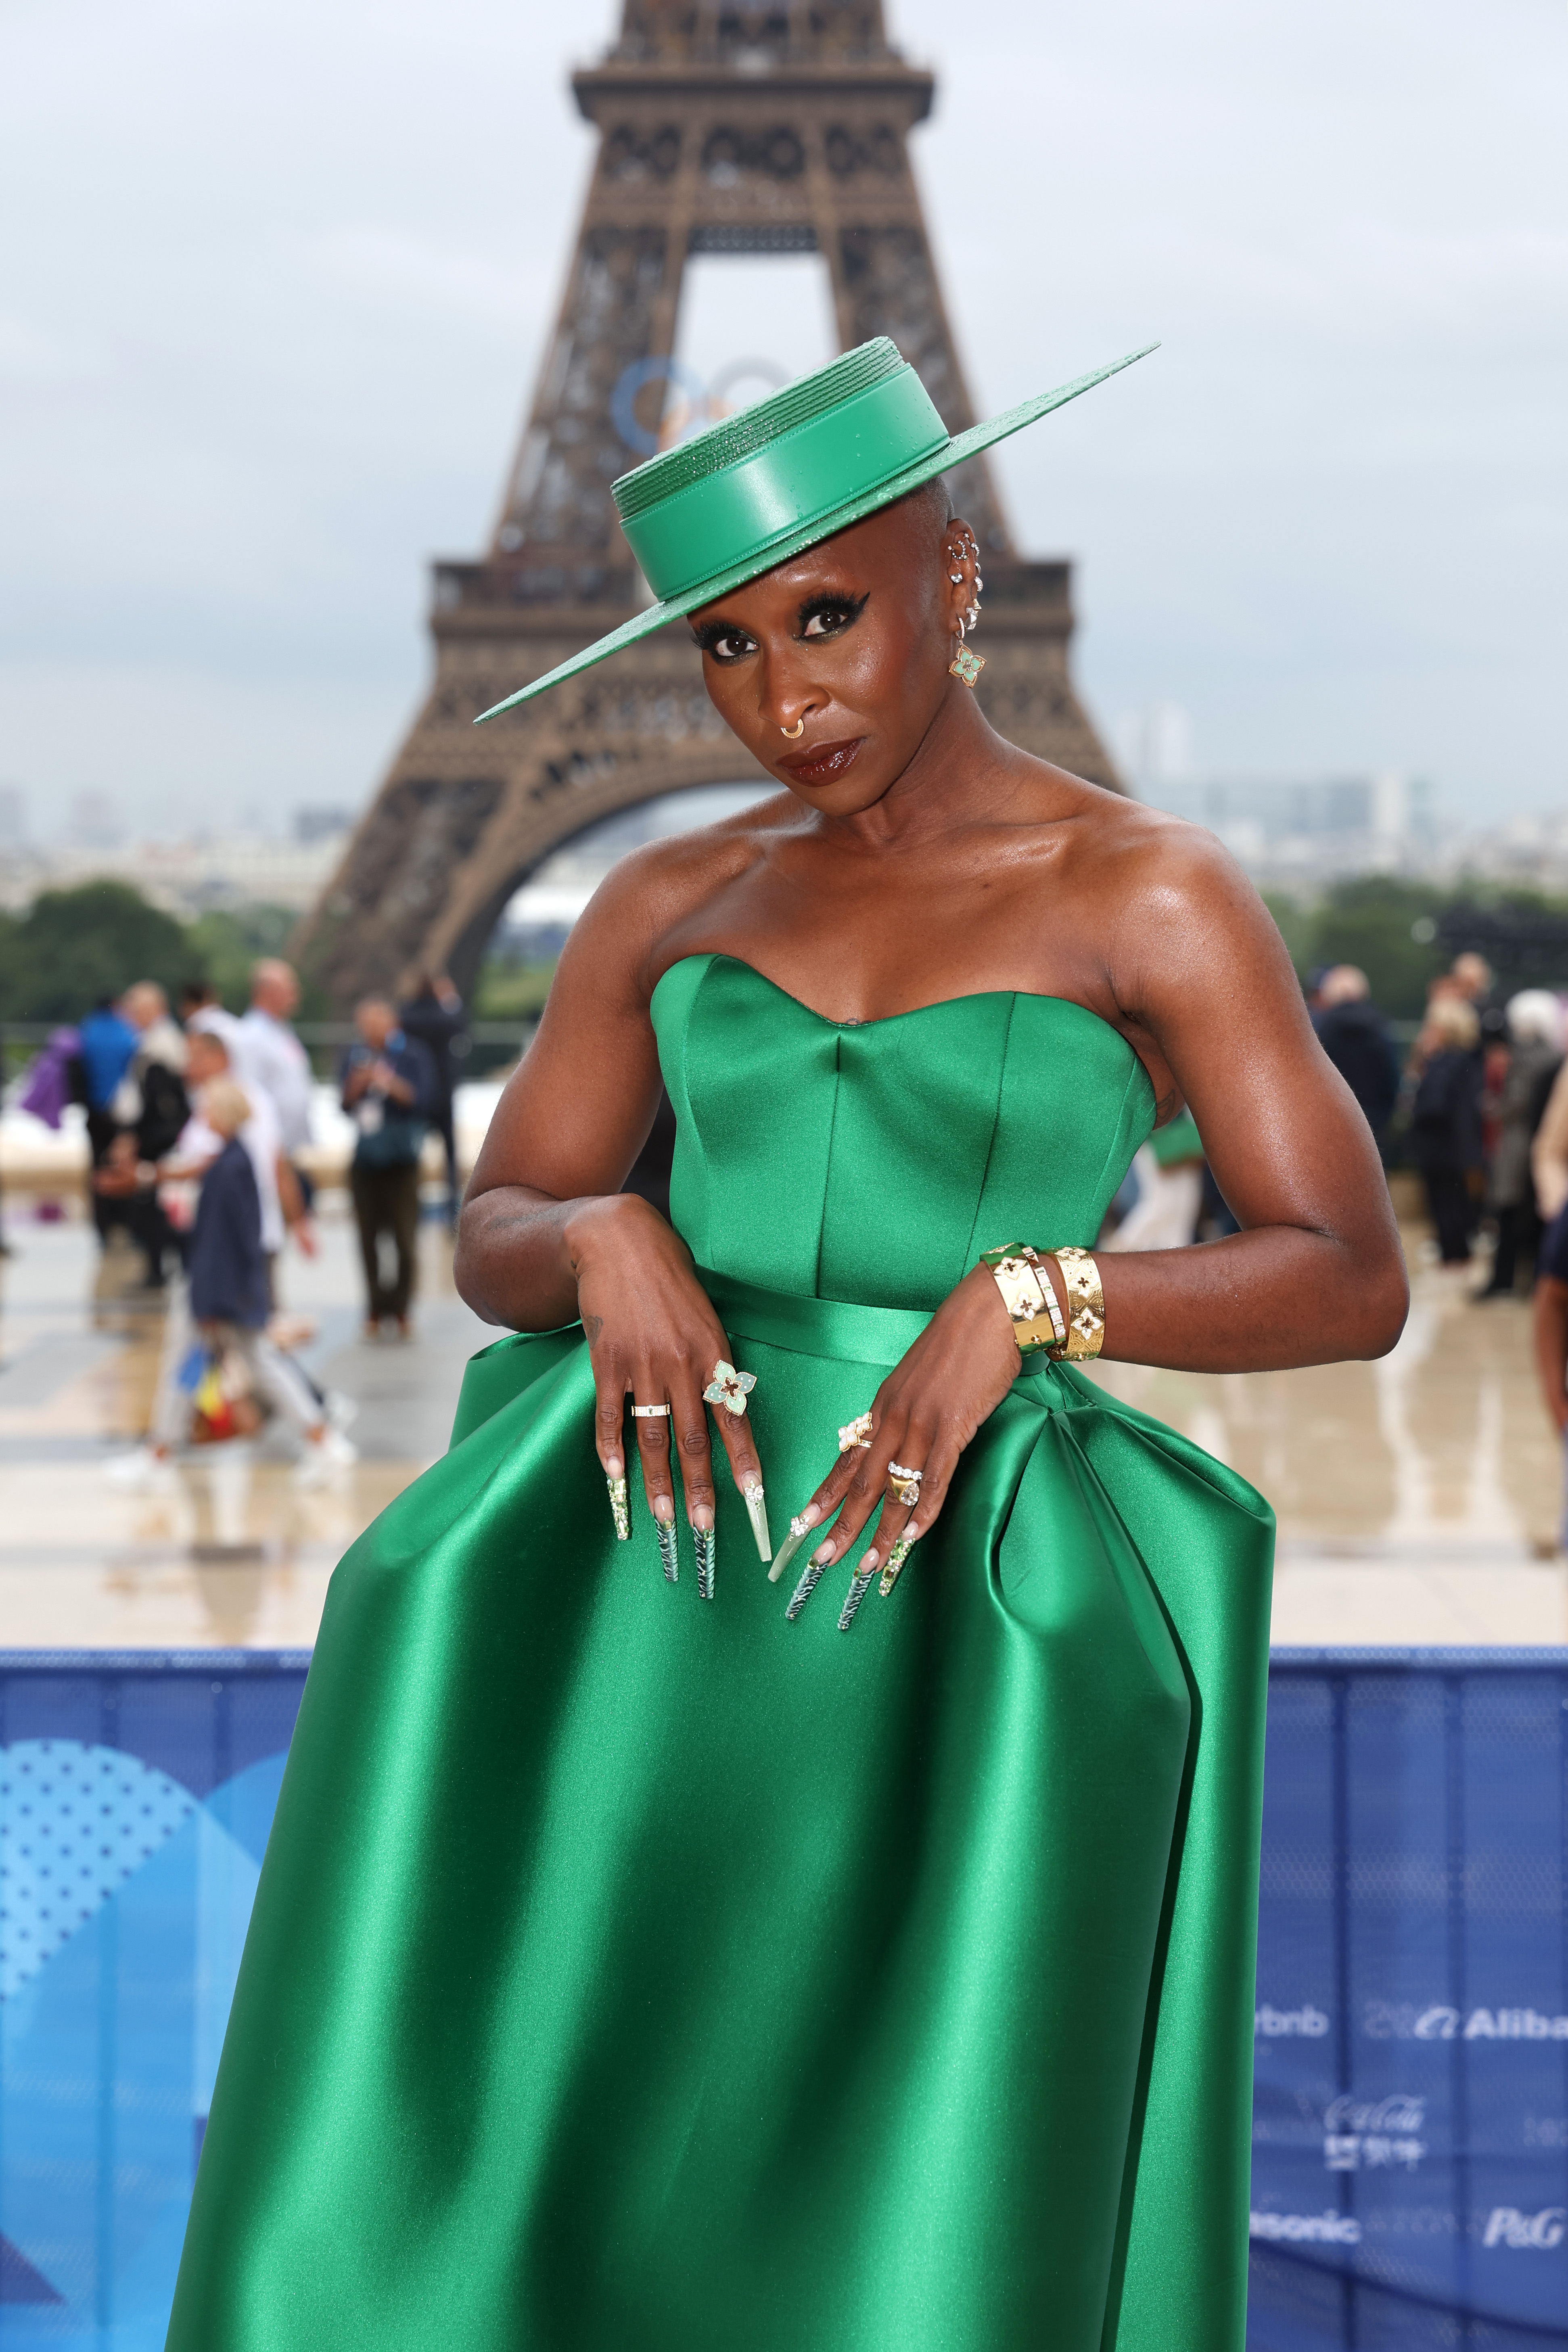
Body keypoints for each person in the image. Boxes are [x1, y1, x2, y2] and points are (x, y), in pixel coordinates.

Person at [170, 340, 1406, 2352]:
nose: (782, 692)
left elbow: (1349, 1270)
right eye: (726, 646)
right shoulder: (666, 895)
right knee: (554, 2143)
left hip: (949, 1588)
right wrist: (601, 1231)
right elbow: (496, 1228)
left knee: (916, 2178)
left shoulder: (1153, 894)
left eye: (827, 613)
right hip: (626, 1586)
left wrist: (1029, 1296)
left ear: (960, 572)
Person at [340, 996, 433, 1338]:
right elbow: (345, 1104)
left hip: (402, 1159)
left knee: (405, 1238)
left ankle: (402, 1306)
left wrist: (387, 1082)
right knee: (368, 1238)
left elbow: (423, 1100)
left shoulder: (412, 1055)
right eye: (363, 1026)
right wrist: (358, 1084)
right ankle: (376, 1307)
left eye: (373, 1024)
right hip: (367, 1157)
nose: (368, 1032)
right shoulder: (354, 1054)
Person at [1474, 990, 1562, 1300]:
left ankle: (1503, 1281)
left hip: (1519, 1146)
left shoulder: (1523, 1057)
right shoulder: (1554, 1056)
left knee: (1509, 1215)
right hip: (1545, 1146)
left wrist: (1493, 1108)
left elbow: (1515, 1103)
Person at [1408, 993, 1484, 1264]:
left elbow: (1433, 1105)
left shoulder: (1443, 1063)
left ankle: (1452, 1257)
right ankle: (1458, 1253)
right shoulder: (1467, 1060)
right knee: (1456, 1202)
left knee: (1445, 1205)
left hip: (1440, 1146)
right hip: (1458, 1145)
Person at [239, 958, 316, 1186]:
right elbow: (251, 1095)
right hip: (272, 1159)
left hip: (295, 1152)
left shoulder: (282, 1032)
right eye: (290, 988)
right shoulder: (250, 1037)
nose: (296, 994)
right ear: (266, 992)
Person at [398, 970, 468, 1220]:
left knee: (412, 1153)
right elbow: (460, 1026)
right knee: (449, 1152)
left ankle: (411, 1207)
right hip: (443, 1091)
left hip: (416, 1092)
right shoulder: (443, 1017)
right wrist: (449, 999)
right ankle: (452, 1207)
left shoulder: (407, 1017)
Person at [1313, 964, 1400, 1156]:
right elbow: (1391, 1076)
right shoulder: (1380, 1027)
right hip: (1374, 1122)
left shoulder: (1320, 1031)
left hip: (1332, 1122)